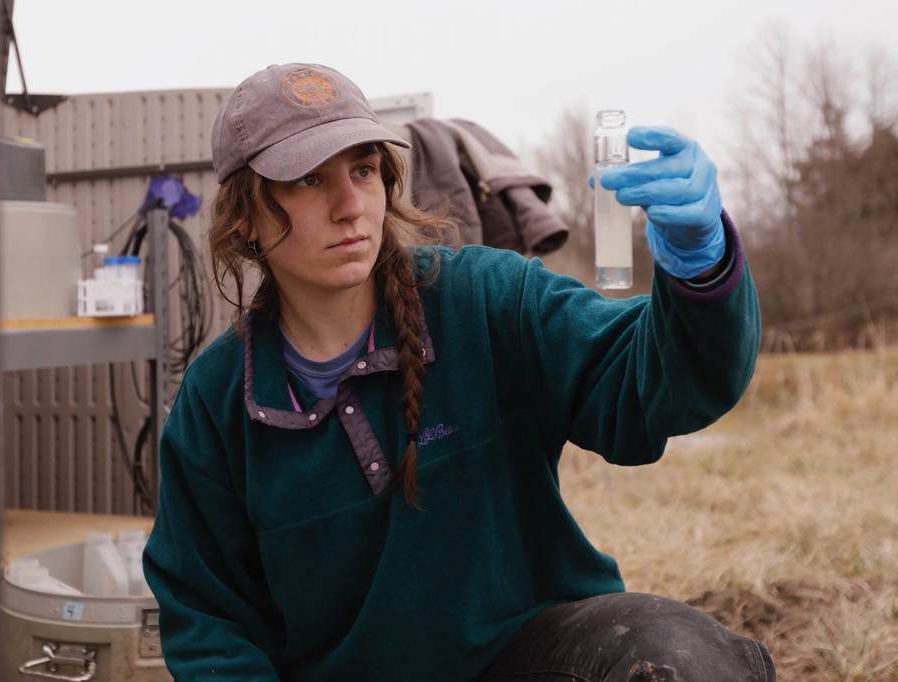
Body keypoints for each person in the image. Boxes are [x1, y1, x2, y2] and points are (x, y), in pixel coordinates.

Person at [143, 63, 775, 682]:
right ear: (246, 218)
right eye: (308, 180)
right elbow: (210, 624)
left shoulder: (483, 298)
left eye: (363, 170)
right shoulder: (215, 403)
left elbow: (648, 387)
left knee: (675, 654)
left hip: (536, 660)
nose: (349, 205)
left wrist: (702, 269)